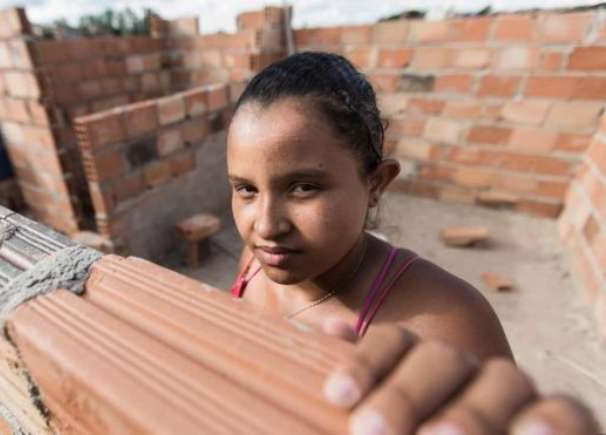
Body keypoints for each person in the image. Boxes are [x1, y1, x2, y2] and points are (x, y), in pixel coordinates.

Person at [226, 52, 598, 434]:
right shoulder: (255, 264)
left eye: (304, 187)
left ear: (376, 184)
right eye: (246, 189)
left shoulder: (446, 323)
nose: (266, 226)